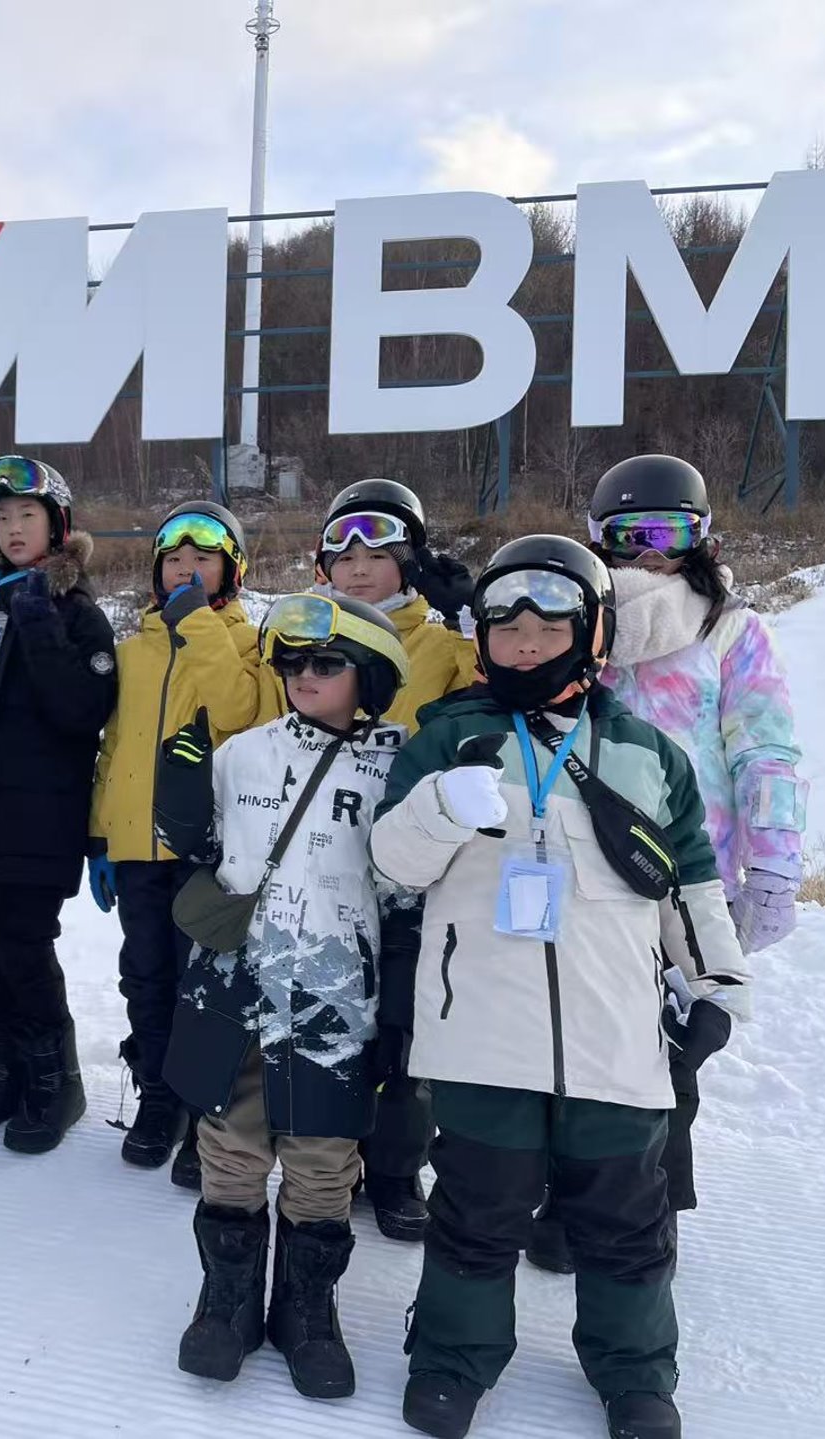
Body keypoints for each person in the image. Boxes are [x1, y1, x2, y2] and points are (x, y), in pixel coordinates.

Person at [372, 535, 751, 1439]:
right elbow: (391, 864)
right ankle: (453, 1357)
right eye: (508, 629)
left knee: (626, 1214)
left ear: (592, 636)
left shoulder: (649, 755)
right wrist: (438, 808)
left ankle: (635, 1371)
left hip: (614, 1034)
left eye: (549, 627)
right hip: (480, 1034)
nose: (528, 643)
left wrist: (717, 986)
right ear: (483, 639)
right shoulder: (445, 737)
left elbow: (690, 883)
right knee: (477, 1207)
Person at [509, 455, 799, 1271]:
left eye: (667, 532)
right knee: (567, 1031)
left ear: (699, 538)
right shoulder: (575, 622)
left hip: (683, 875)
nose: (647, 552)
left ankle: (647, 1209)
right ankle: (566, 1195)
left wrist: (774, 865)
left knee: (671, 1045)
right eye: (628, 533)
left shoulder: (730, 630)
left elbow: (767, 751)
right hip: (571, 865)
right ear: (598, 539)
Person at [155, 593, 410, 1400]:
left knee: (324, 1157)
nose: (305, 675)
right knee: (230, 1144)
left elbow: (405, 887)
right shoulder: (242, 753)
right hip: (237, 983)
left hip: (335, 993)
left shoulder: (396, 765)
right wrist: (180, 793)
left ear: (369, 675)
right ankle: (226, 1301)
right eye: (293, 662)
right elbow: (200, 844)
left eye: (327, 663)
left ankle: (308, 1308)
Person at [88, 499, 278, 1189]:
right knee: (146, 977)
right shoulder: (133, 649)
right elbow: (114, 747)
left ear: (232, 571)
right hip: (138, 848)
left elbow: (239, 710)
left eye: (203, 559)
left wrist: (197, 623)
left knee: (206, 987)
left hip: (209, 852)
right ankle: (159, 1098)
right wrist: (100, 835)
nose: (185, 569)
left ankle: (205, 1114)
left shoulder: (250, 645)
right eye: (173, 559)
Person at [313, 478, 479, 1243]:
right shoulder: (309, 640)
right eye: (342, 554)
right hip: (326, 866)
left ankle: (396, 1166)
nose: (357, 568)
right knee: (332, 1016)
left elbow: (498, 686)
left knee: (406, 1026)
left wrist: (468, 612)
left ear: (410, 561)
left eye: (376, 553)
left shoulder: (443, 645)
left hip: (415, 874)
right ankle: (332, 1156)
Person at [0, 457, 118, 1153]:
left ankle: (55, 1081)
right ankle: (5, 1069)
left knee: (21, 948)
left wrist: (38, 615)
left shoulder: (81, 616)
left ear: (57, 525)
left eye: (28, 516)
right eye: (3, 518)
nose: (14, 529)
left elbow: (81, 711)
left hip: (38, 820)